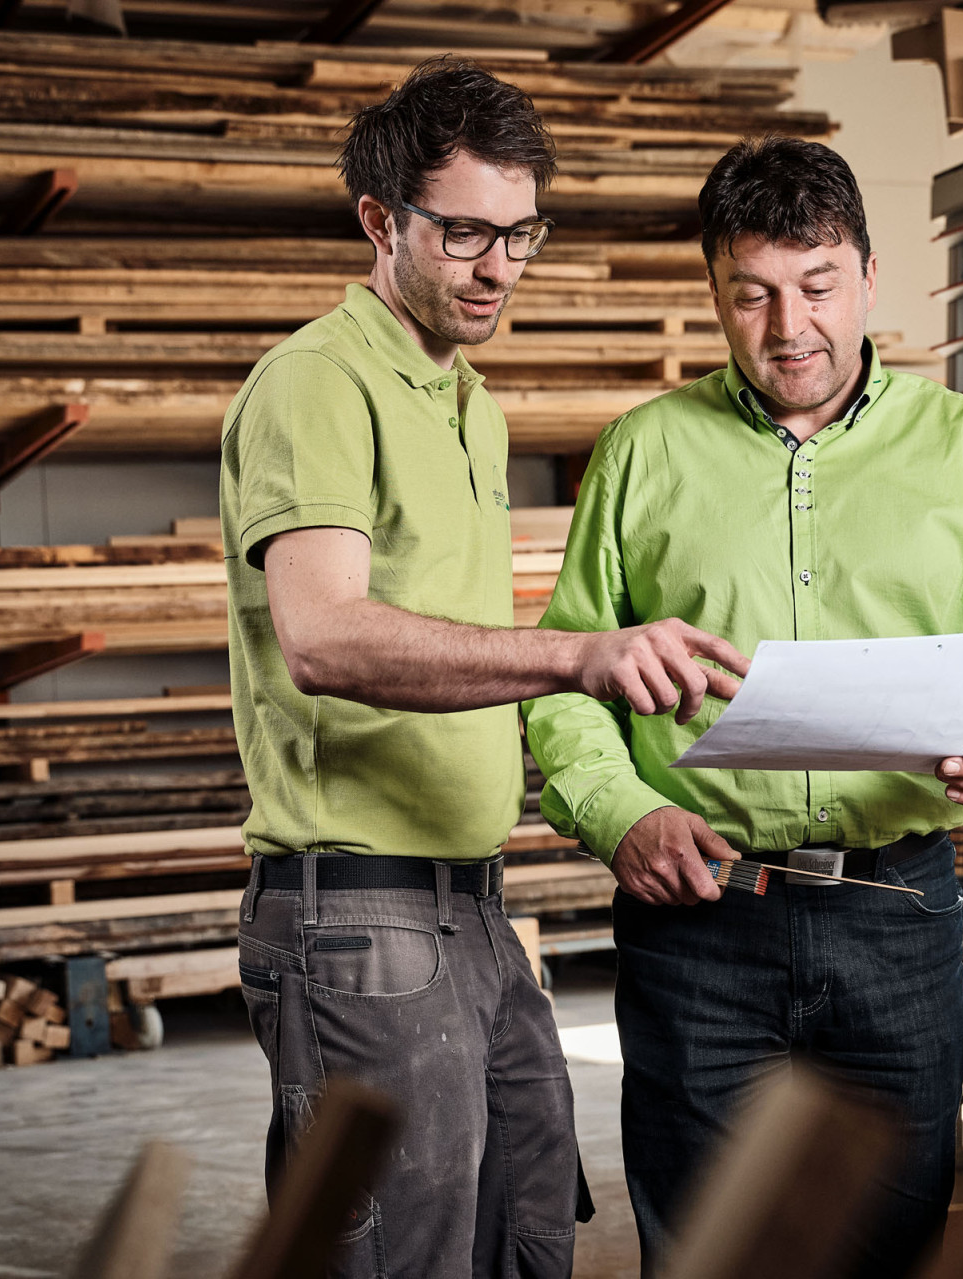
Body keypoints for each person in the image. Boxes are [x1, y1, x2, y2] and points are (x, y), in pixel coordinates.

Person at [522, 136, 963, 1276]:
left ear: (868, 277)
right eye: (755, 295)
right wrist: (617, 812)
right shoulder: (642, 453)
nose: (790, 327)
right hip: (696, 917)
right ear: (717, 298)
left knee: (885, 1248)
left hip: (897, 912)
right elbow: (565, 680)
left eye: (817, 286)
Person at [218, 59, 749, 1279]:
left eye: (520, 234)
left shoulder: (468, 400)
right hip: (355, 914)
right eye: (463, 231)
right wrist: (576, 656)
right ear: (380, 221)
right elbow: (325, 635)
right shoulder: (319, 384)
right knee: (404, 1258)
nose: (497, 266)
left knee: (523, 1231)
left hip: (471, 902)